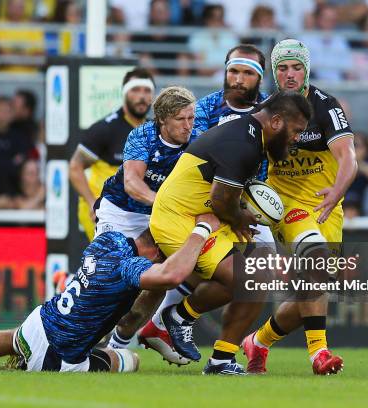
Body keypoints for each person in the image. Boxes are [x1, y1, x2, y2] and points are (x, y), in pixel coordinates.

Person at [0, 212, 222, 372]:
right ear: (155, 249)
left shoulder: (107, 241)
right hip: (60, 356)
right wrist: (202, 229)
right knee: (130, 361)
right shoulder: (129, 268)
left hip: (41, 320)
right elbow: (171, 274)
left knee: (13, 337)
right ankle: (25, 364)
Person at [120, 44, 273, 362]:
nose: (239, 79)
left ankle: (184, 329)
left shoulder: (270, 114)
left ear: (260, 78)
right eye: (234, 71)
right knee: (152, 278)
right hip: (200, 204)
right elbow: (211, 161)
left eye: (247, 73)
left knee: (257, 275)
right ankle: (129, 335)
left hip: (238, 205)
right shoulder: (203, 111)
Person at [152, 91, 310, 375]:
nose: (297, 138)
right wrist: (240, 217)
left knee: (260, 276)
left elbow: (224, 200)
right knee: (245, 277)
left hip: (208, 216)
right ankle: (176, 317)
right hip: (178, 219)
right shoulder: (244, 143)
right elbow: (222, 199)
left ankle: (221, 358)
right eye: (296, 130)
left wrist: (237, 215)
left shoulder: (251, 136)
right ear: (276, 121)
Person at [242, 39, 357, 375]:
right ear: (274, 73)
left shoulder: (326, 106)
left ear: (306, 69)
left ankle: (258, 342)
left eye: (296, 67)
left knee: (314, 286)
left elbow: (348, 156)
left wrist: (336, 192)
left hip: (326, 203)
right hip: (285, 204)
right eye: (282, 67)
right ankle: (319, 353)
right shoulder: (266, 111)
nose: (289, 74)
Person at [94, 86, 195, 240]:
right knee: (109, 262)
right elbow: (131, 182)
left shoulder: (198, 139)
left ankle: (242, 261)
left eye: (191, 118)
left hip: (160, 215)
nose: (188, 126)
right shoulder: (142, 136)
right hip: (121, 211)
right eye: (180, 119)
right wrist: (165, 204)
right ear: (162, 119)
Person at [69, 68, 154, 241]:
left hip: (134, 211)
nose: (142, 96)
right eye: (135, 90)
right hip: (103, 209)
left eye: (147, 91)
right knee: (109, 261)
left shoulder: (153, 130)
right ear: (124, 94)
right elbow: (74, 167)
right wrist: (92, 202)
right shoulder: (106, 128)